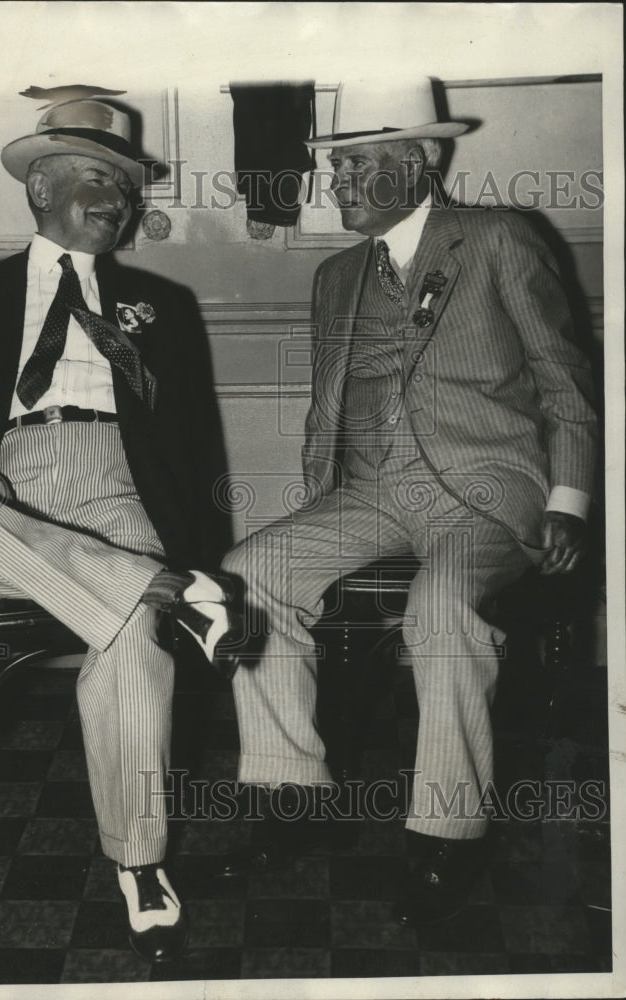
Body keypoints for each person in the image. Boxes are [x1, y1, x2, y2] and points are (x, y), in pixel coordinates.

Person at [219, 78, 598, 925]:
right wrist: (317, 510)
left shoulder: (497, 237)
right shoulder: (333, 275)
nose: (336, 183)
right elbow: (328, 402)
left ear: (420, 160)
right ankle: (289, 793)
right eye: (333, 165)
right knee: (249, 572)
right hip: (369, 491)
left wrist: (567, 501)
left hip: (486, 491)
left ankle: (447, 831)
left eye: (355, 164)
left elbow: (561, 376)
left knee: (439, 608)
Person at [0, 93, 238, 963]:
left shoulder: (162, 303)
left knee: (131, 645)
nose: (113, 194)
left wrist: (193, 545)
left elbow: (193, 447)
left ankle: (139, 861)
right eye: (91, 175)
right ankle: (166, 594)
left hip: (120, 487)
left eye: (121, 181)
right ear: (39, 185)